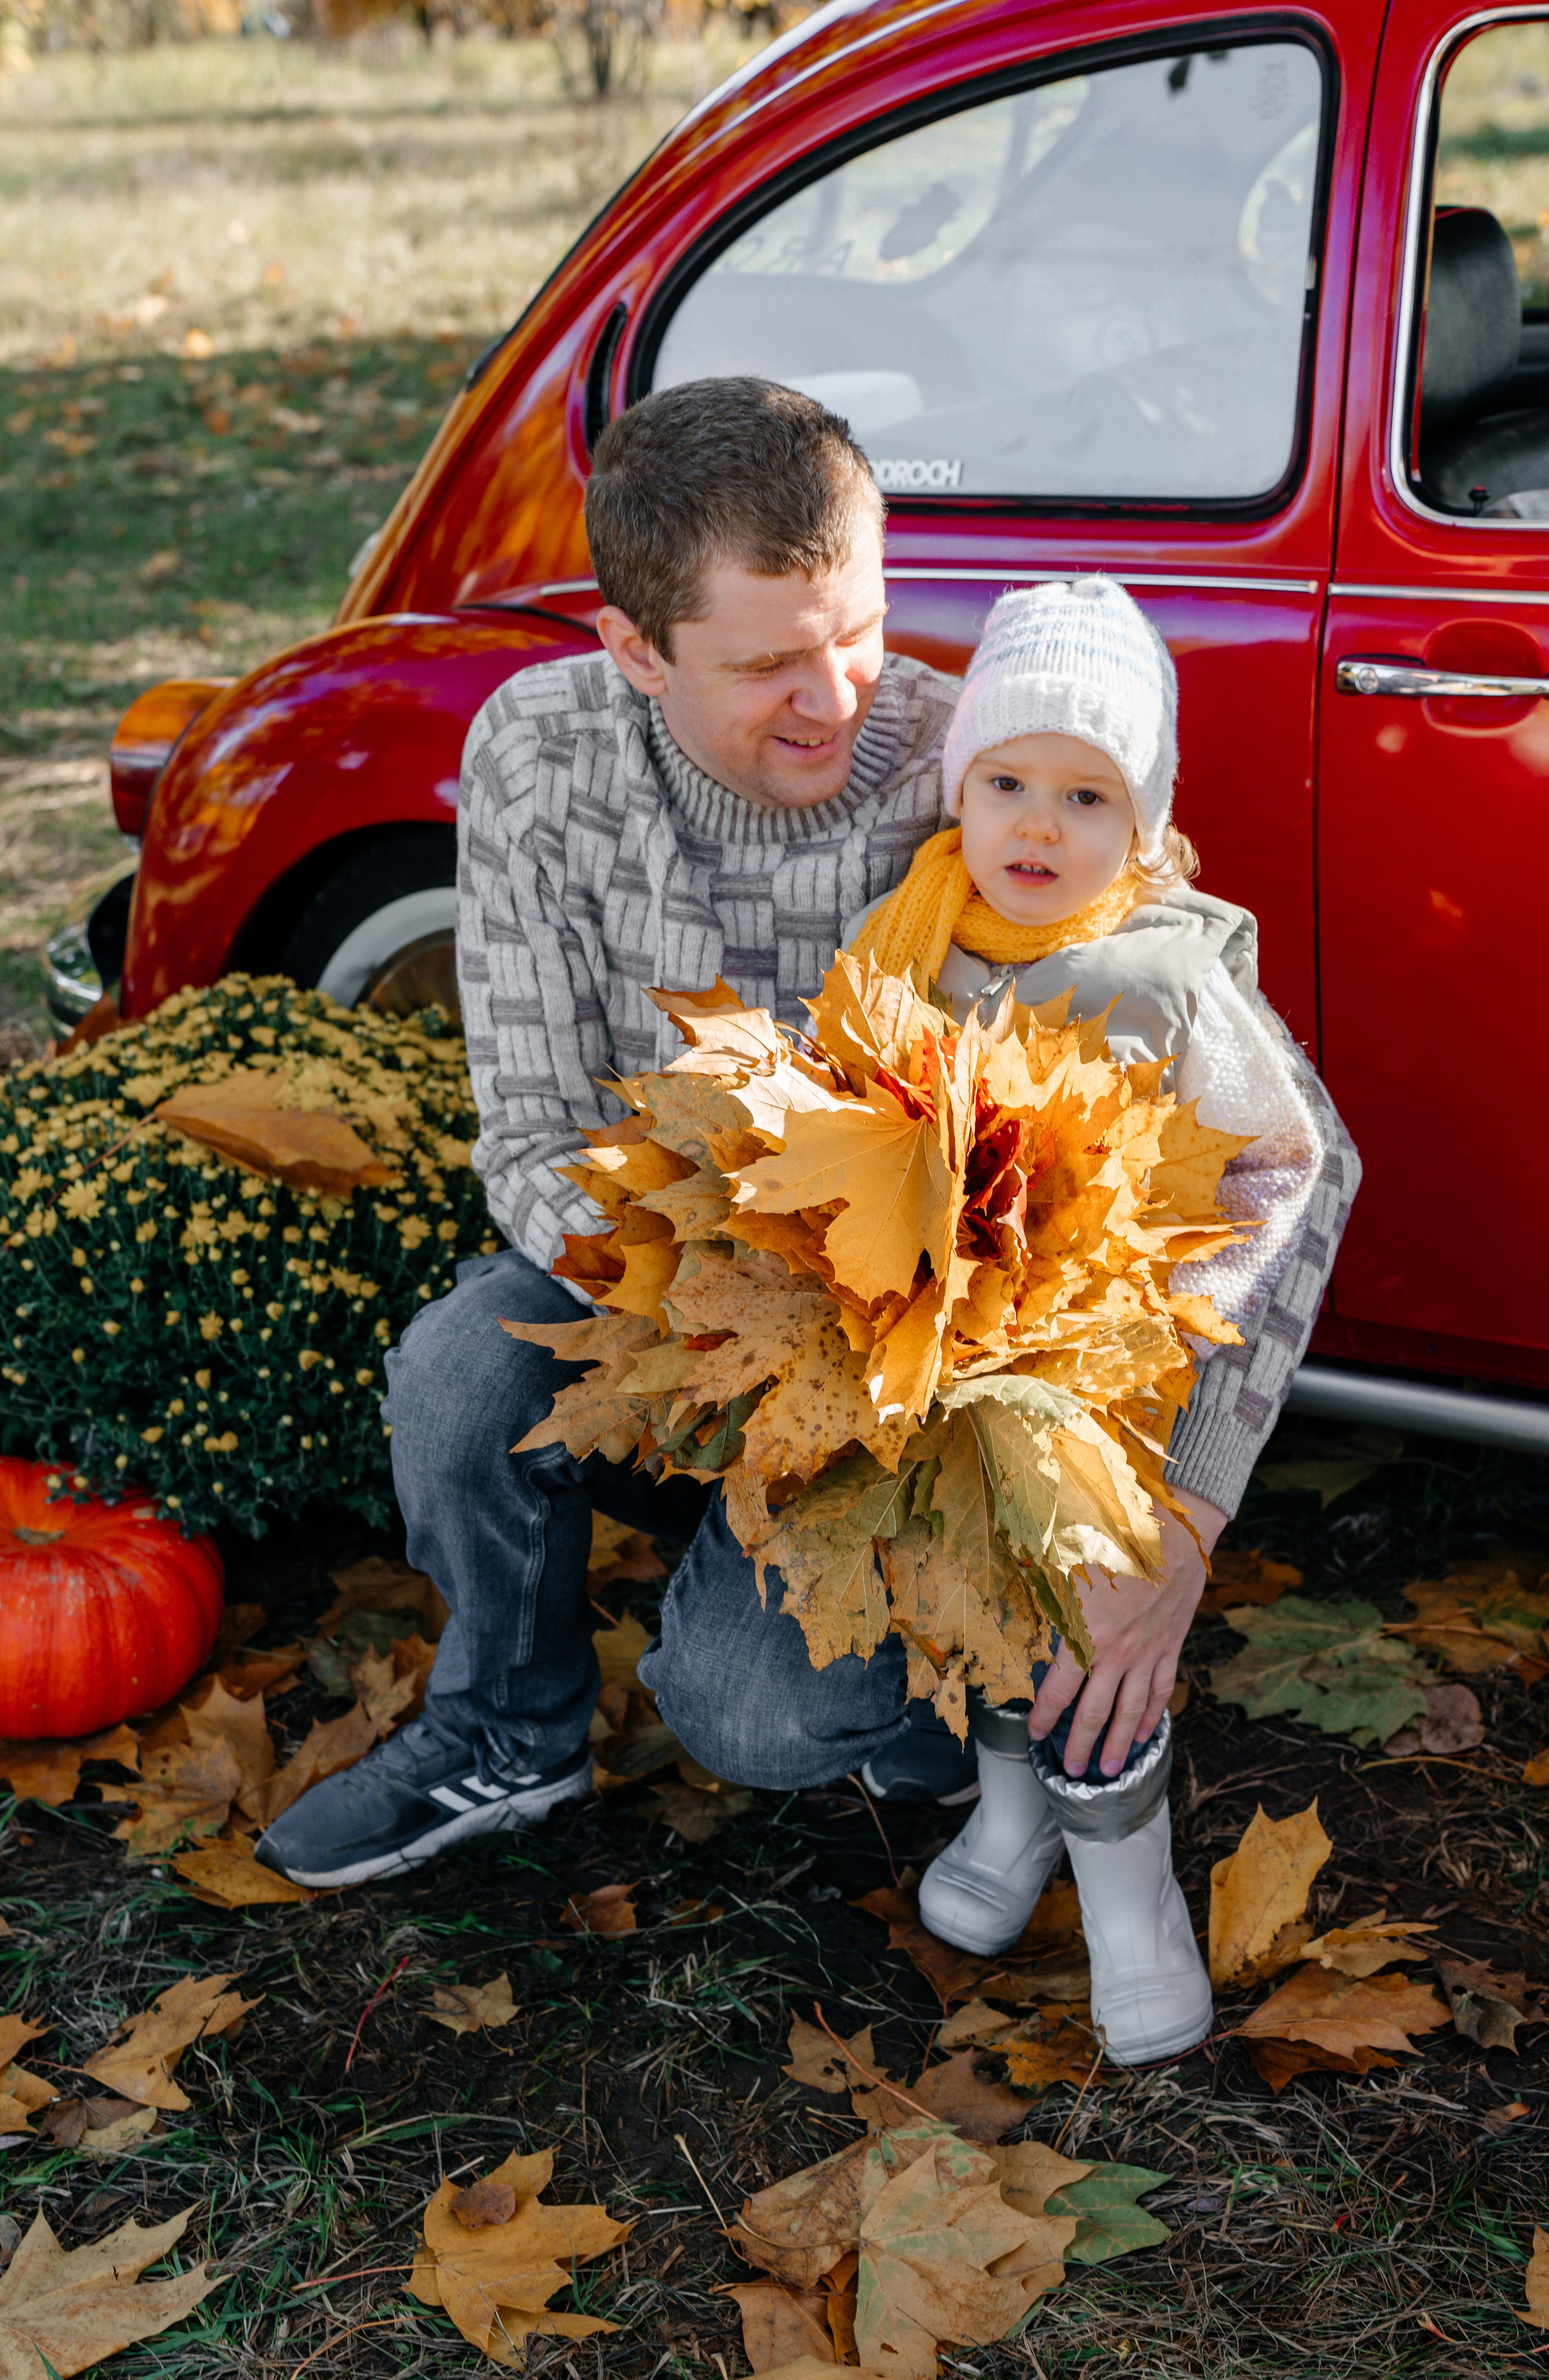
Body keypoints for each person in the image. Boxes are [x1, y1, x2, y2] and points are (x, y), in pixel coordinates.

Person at [255, 375, 965, 1893]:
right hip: (648, 1282)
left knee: (750, 1716)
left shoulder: (967, 769)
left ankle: (933, 1691)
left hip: (897, 1351)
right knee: (458, 1371)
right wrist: (697, 1319)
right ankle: (508, 1730)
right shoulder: (541, 756)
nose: (836, 696)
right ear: (635, 651)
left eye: (857, 629)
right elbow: (526, 1137)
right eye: (770, 663)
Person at [838, 575, 1359, 2060]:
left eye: (1084, 795)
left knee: (1082, 1630)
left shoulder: (1166, 973)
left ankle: (1129, 1895)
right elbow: (849, 1105)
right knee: (978, 1614)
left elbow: (1282, 1163)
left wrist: (1180, 1313)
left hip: (1103, 1386)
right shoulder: (908, 935)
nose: (1036, 829)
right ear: (961, 790)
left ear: (1142, 820)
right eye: (1005, 784)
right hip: (946, 1368)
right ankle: (1008, 1825)